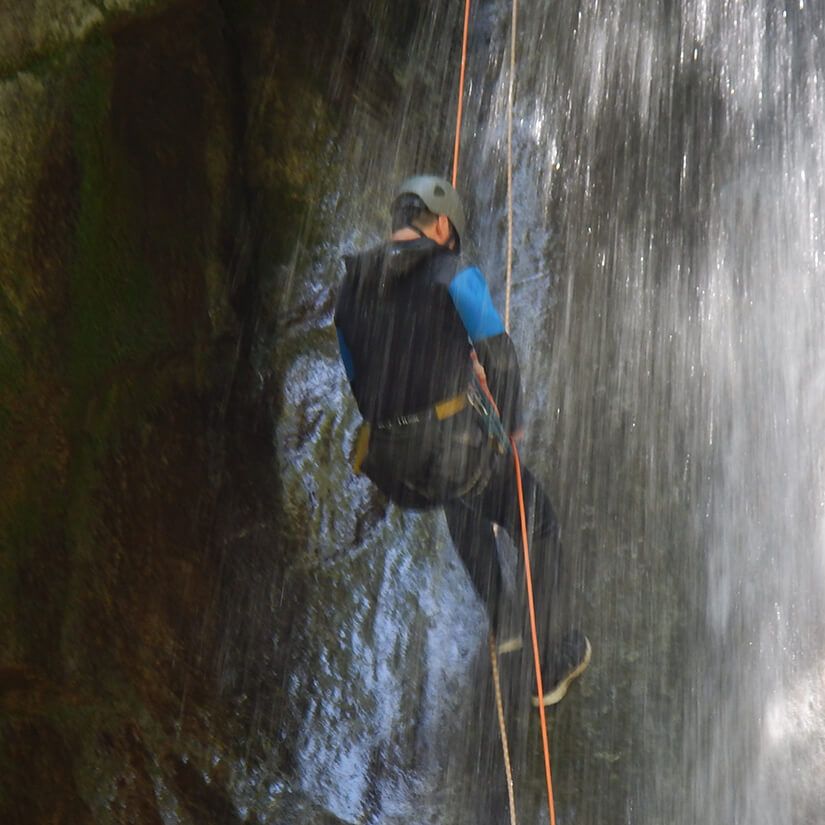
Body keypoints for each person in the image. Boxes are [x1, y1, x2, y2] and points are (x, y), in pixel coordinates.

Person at [334, 174, 590, 706]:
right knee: (535, 517)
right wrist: (512, 422)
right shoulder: (453, 274)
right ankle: (552, 658)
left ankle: (507, 624)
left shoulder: (351, 285)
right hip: (445, 451)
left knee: (462, 494)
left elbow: (357, 377)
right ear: (443, 224)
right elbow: (497, 352)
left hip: (389, 464)